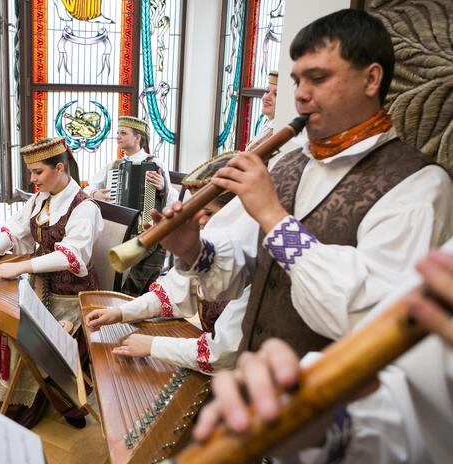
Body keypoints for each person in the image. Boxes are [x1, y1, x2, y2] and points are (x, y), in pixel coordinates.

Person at [152, 9, 453, 359]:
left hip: (339, 406)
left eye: (318, 78)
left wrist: (274, 219)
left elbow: (364, 317)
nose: (301, 96)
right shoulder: (288, 164)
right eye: (298, 81)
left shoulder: (419, 185)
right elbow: (244, 277)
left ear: (371, 80)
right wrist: (192, 248)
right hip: (255, 389)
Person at [192, 240, 453, 464]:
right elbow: (421, 419)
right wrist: (324, 433)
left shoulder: (419, 195)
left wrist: (273, 217)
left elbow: (346, 314)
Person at [0, 136, 103, 428]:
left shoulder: (84, 208)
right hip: (40, 287)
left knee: (22, 334)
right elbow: (14, 231)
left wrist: (21, 268)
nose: (32, 179)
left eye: (37, 172)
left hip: (71, 296)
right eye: (31, 172)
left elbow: (71, 256)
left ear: (61, 169)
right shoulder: (41, 200)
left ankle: (38, 405)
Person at [85, 156, 245, 373]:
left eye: (208, 213)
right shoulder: (210, 248)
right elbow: (172, 291)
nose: (198, 221)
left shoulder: (253, 260)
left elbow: (223, 354)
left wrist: (152, 345)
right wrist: (119, 313)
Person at [85, 115, 179, 296]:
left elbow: (171, 197)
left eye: (123, 133)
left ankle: (130, 296)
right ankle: (118, 294)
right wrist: (96, 194)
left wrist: (162, 186)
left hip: (146, 225)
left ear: (138, 137)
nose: (118, 136)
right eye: (117, 133)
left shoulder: (155, 163)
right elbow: (89, 188)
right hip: (119, 227)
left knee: (148, 242)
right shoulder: (113, 166)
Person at [246, 70, 278, 151]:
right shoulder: (269, 123)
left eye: (276, 94)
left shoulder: (276, 130)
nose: (267, 97)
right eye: (267, 91)